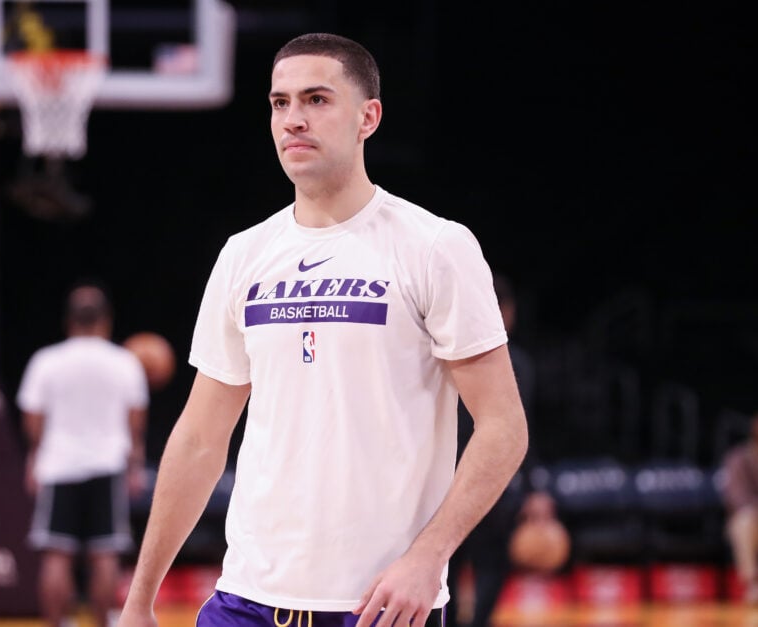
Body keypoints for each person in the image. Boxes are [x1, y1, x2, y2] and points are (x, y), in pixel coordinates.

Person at [118, 32, 528, 627]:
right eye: (280, 103)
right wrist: (139, 598)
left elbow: (503, 426)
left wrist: (429, 558)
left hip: (378, 608)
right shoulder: (243, 255)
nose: (293, 119)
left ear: (369, 117)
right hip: (244, 601)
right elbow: (200, 438)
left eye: (316, 99)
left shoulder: (436, 246)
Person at [17, 281, 150, 626]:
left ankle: (58, 624)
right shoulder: (125, 363)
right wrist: (134, 465)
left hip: (59, 466)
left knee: (56, 554)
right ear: (106, 320)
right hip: (107, 465)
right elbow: (135, 423)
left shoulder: (46, 362)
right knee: (105, 553)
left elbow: (33, 420)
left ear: (69, 321)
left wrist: (34, 457)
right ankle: (103, 622)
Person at [446, 273, 557, 626]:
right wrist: (535, 489)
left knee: (448, 569)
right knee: (485, 567)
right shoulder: (513, 362)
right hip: (491, 483)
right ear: (504, 312)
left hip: (448, 483)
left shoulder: (440, 354)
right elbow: (523, 434)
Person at [722, 409, 758, 604]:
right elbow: (737, 498)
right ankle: (753, 586)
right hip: (755, 520)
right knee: (744, 522)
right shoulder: (738, 458)